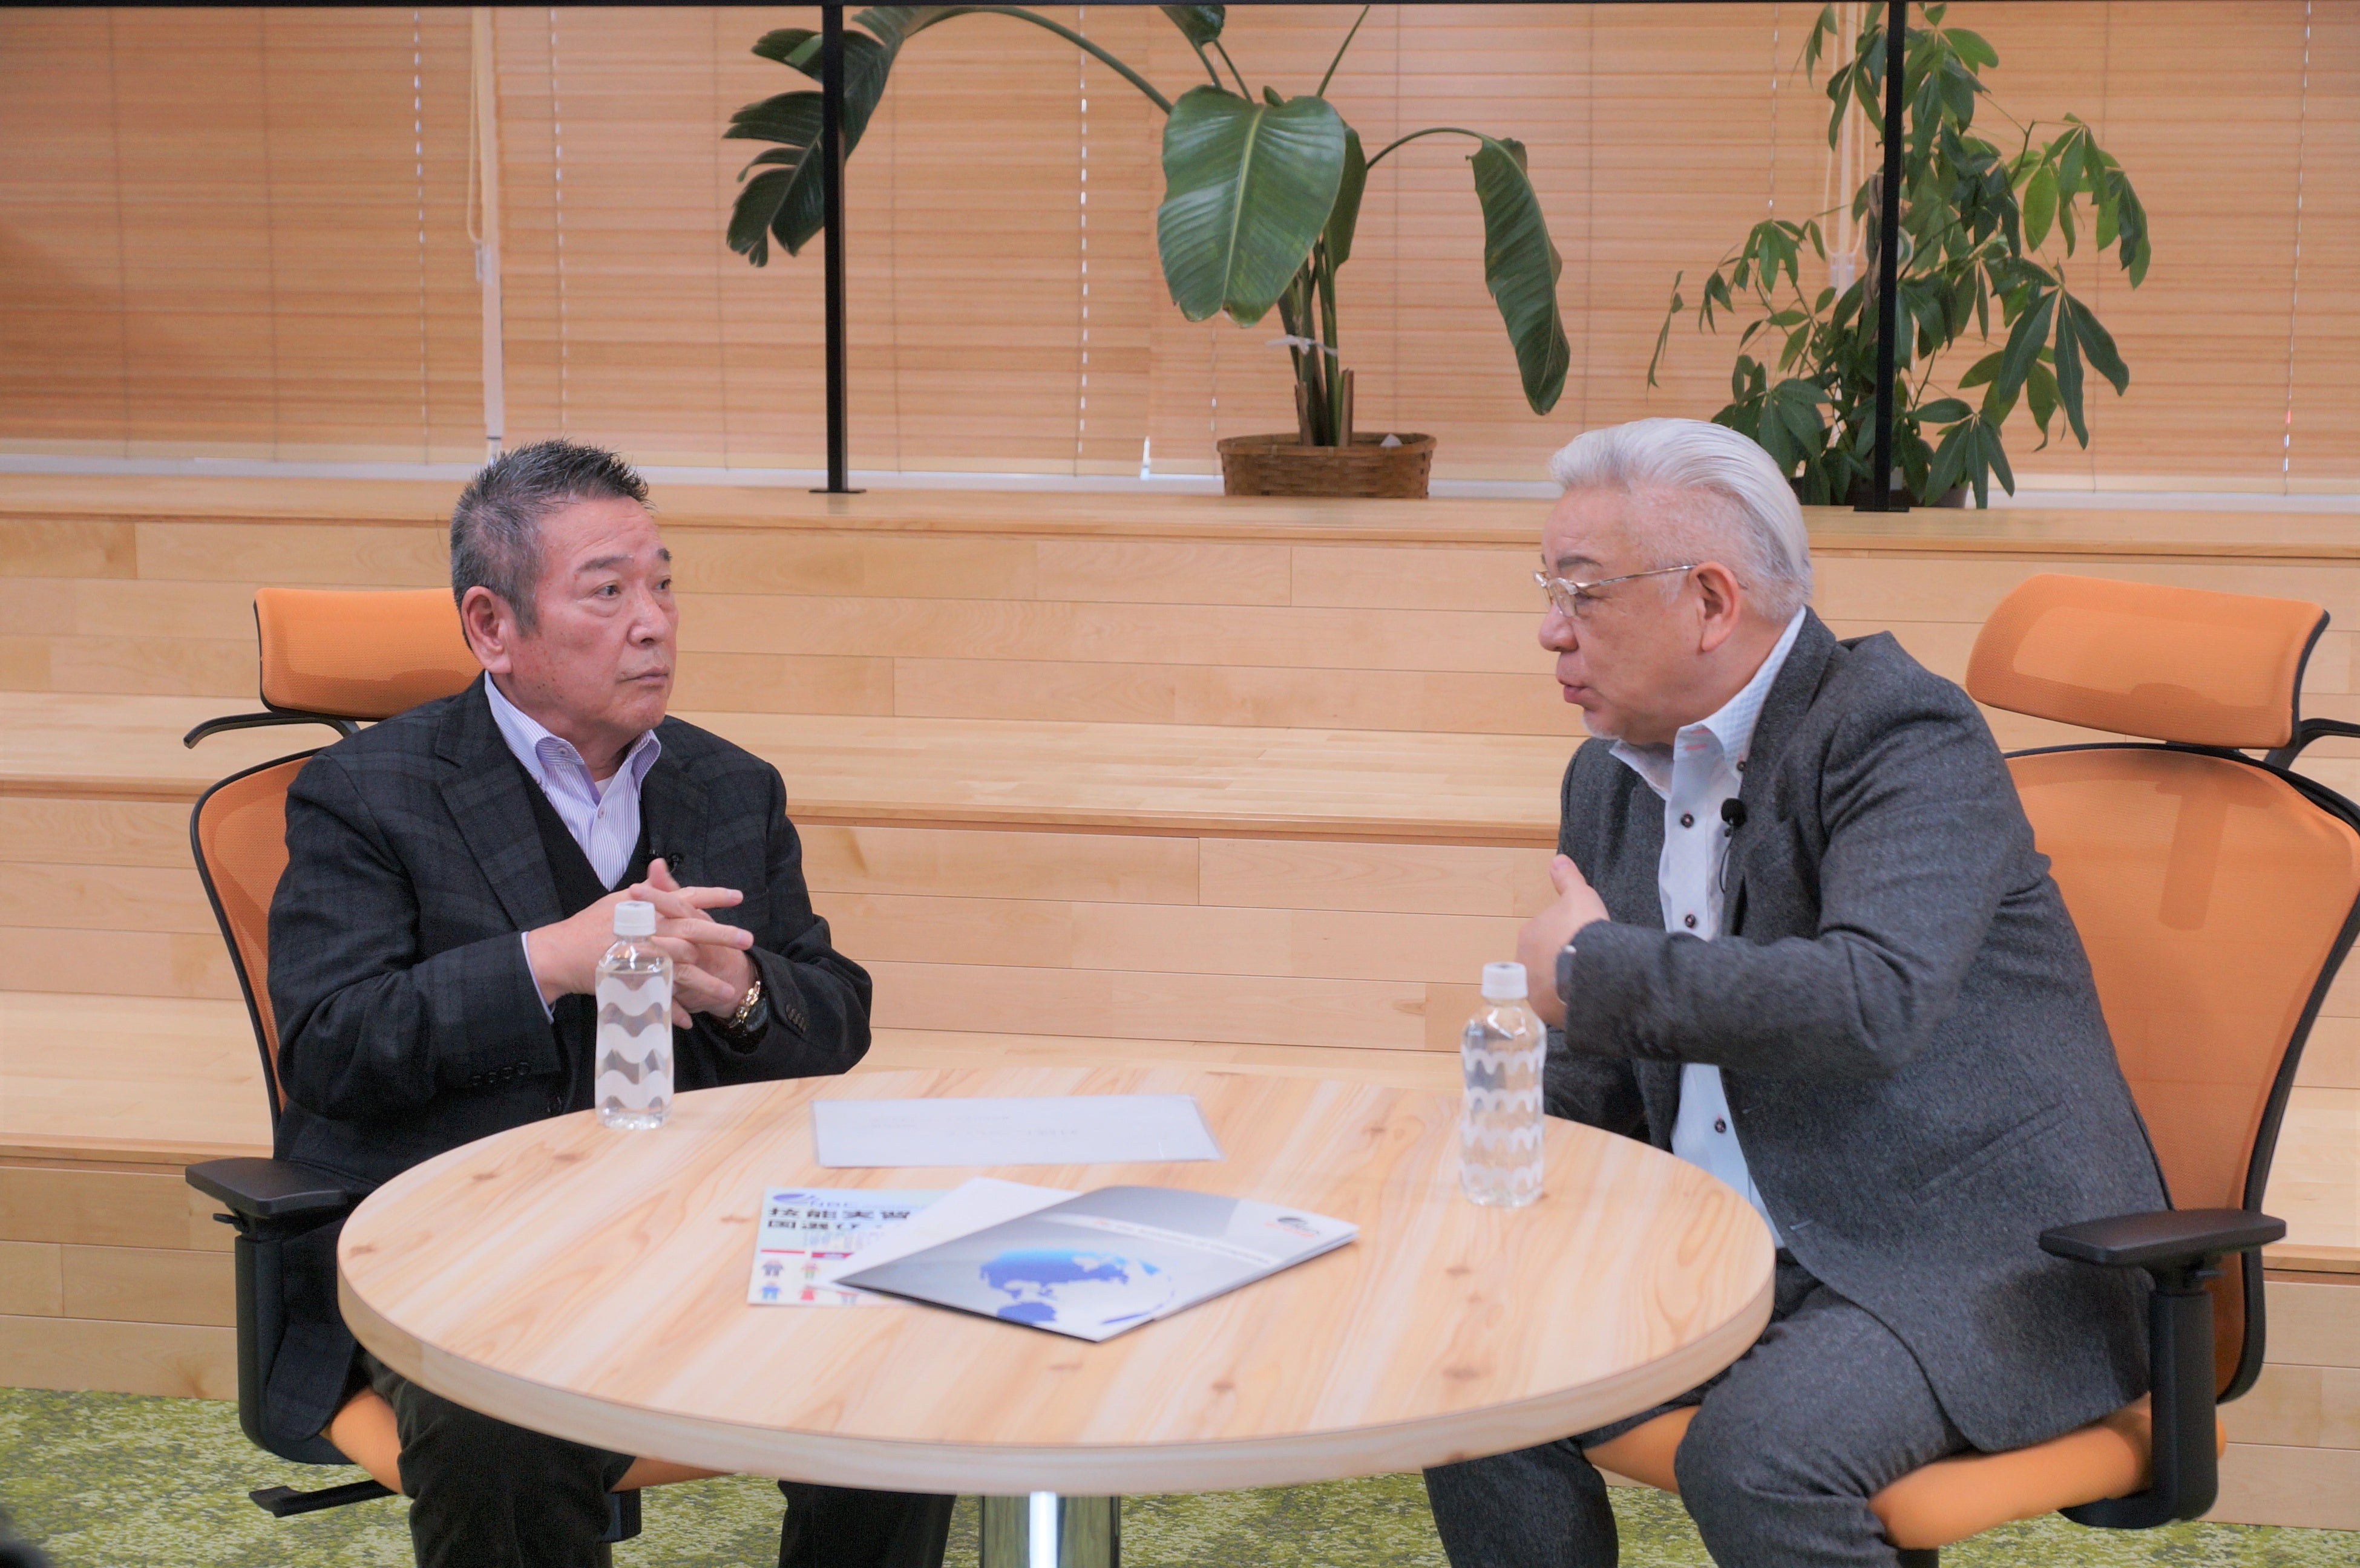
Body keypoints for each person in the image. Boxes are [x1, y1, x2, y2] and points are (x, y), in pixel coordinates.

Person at [1421, 419, 2167, 1568]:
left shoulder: (1900, 731)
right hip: (1727, 1244)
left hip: (1960, 1258)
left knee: (1761, 1455)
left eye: (1583, 593)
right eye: (1549, 593)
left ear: (1710, 602)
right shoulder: (1608, 774)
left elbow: (1872, 1001)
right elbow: (1600, 1075)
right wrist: (1466, 1188)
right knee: (1465, 1358)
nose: (1551, 629)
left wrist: (1591, 968)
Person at [266, 440, 954, 1568]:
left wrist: (741, 993)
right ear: (492, 625)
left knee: (912, 1333)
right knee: (503, 1419)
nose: (654, 623)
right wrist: (548, 960)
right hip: (461, 1237)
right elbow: (333, 1045)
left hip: (700, 1218)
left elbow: (834, 1017)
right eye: (608, 591)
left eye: (663, 585)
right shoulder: (365, 793)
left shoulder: (728, 785)